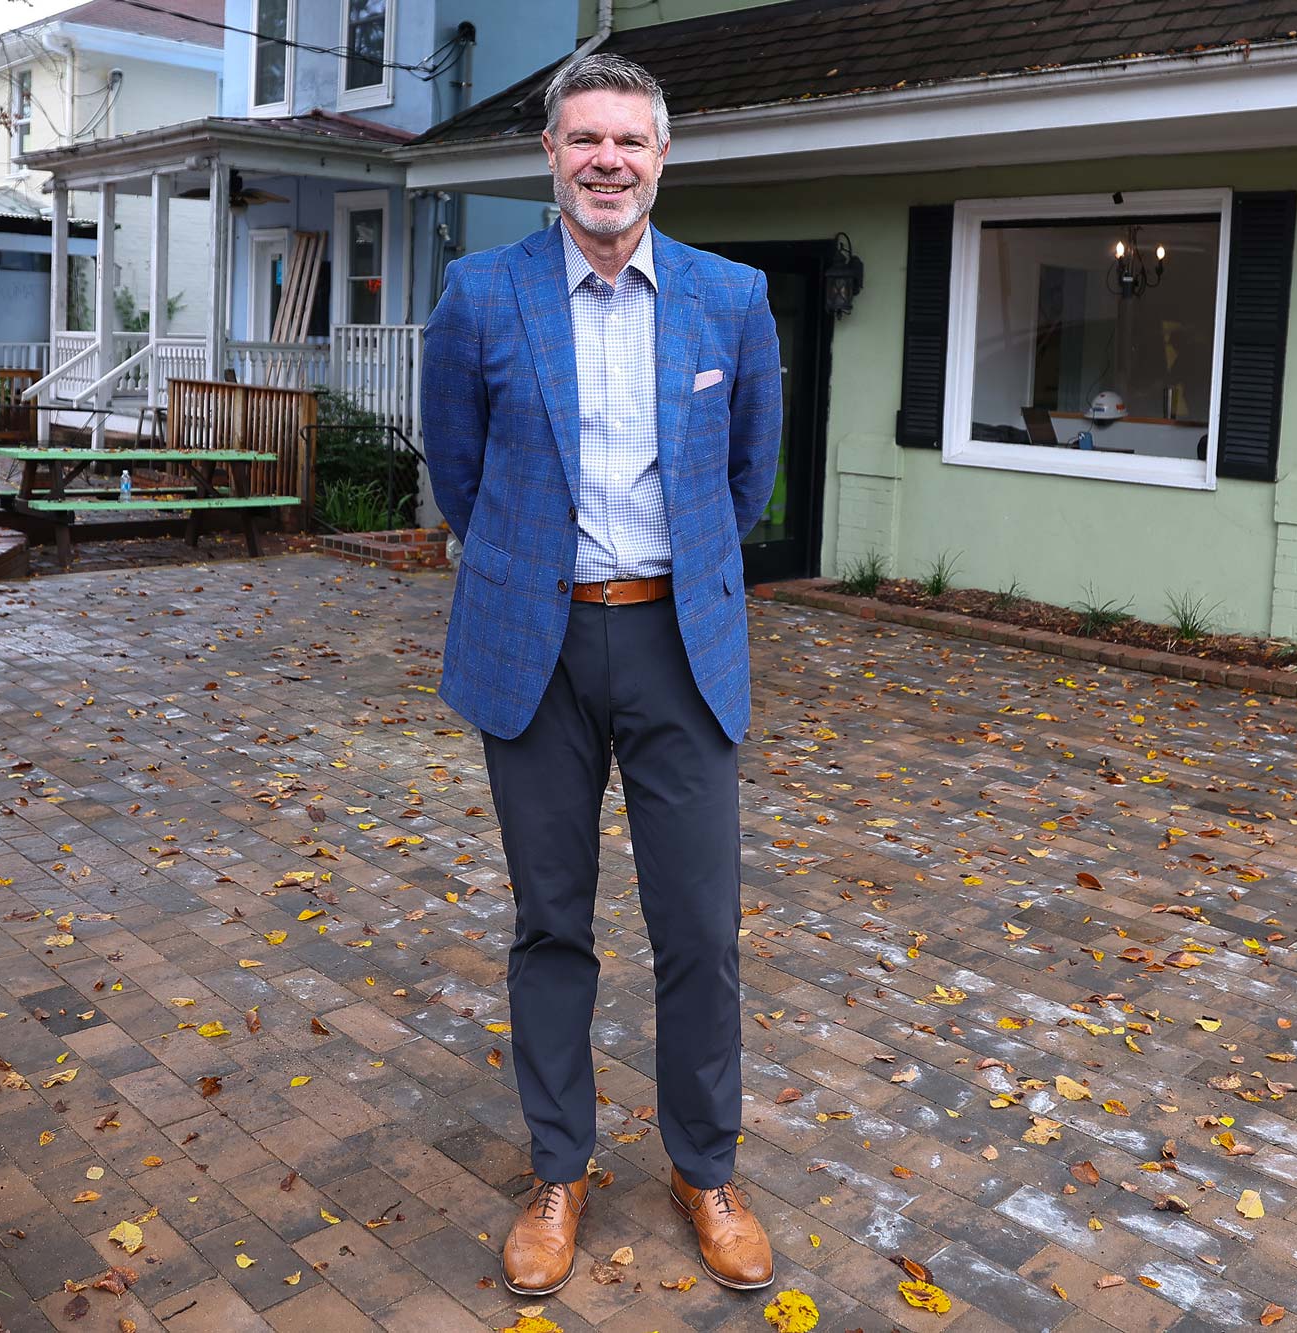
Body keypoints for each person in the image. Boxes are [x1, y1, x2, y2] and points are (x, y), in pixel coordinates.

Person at [419, 51, 782, 1297]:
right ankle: (559, 1167)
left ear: (662, 156)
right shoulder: (478, 295)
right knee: (550, 924)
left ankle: (703, 1165)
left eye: (630, 140)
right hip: (538, 645)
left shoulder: (732, 300)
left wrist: (675, 581)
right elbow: (458, 474)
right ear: (551, 155)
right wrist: (533, 572)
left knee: (698, 928)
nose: (607, 161)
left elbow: (745, 481)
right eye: (585, 140)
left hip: (684, 646)